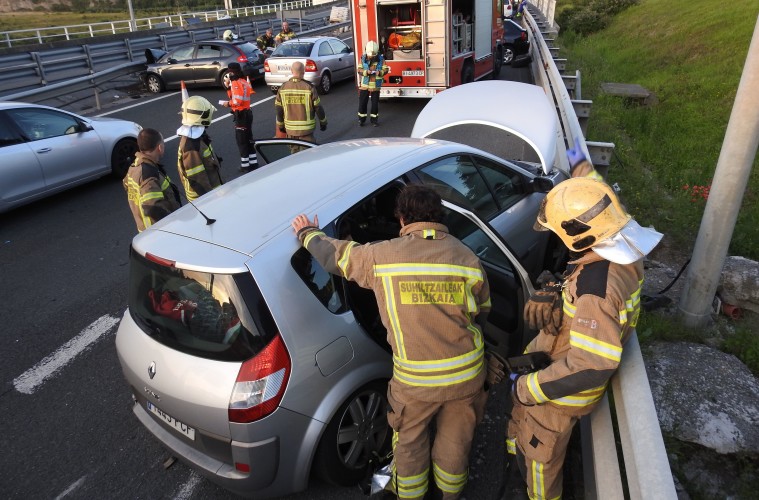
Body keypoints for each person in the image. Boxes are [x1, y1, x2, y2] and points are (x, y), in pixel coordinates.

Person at [291, 185, 491, 500]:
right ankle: (451, 494)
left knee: (410, 443)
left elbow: (335, 257)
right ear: (439, 215)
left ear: (401, 219)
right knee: (456, 442)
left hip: (416, 382)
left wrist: (307, 233)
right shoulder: (467, 258)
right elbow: (482, 310)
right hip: (467, 374)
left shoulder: (382, 256)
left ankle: (410, 496)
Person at [500, 172, 663, 499]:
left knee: (540, 466)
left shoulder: (596, 291)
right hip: (550, 366)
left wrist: (529, 388)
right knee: (521, 432)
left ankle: (528, 484)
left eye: (558, 233)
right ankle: (513, 459)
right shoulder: (618, 254)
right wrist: (560, 293)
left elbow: (593, 364)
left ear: (579, 234)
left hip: (555, 400)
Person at [123, 128, 181, 232]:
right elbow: (153, 208)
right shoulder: (149, 175)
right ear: (160, 148)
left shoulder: (134, 167)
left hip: (145, 230)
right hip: (158, 232)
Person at [177, 95, 224, 201]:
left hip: (212, 193)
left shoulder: (197, 137)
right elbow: (198, 180)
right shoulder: (192, 145)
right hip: (204, 199)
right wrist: (211, 199)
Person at [275, 61, 327, 147]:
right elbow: (318, 107)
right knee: (308, 155)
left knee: (295, 157)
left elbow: (278, 109)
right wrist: (323, 122)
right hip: (306, 130)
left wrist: (281, 125)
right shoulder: (309, 87)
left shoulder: (283, 88)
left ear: (291, 71)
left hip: (290, 130)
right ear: (303, 72)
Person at [221, 62, 257, 172]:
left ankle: (245, 165)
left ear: (231, 72)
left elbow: (237, 100)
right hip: (247, 113)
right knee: (248, 139)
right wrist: (228, 88)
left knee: (241, 140)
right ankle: (253, 162)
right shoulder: (243, 81)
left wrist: (228, 104)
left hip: (241, 115)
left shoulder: (236, 83)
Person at [357, 40, 389, 127]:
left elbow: (386, 69)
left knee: (375, 104)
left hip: (376, 86)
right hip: (365, 86)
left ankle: (374, 120)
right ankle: (361, 120)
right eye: (369, 55)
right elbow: (359, 70)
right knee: (362, 103)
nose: (370, 57)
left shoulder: (381, 59)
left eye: (372, 56)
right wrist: (366, 72)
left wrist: (380, 72)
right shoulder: (363, 58)